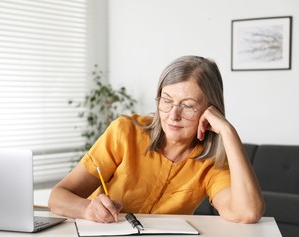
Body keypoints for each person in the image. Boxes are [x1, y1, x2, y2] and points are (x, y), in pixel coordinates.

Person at [48, 55, 265, 224]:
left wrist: (228, 131)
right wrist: (87, 209)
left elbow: (247, 213)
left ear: (211, 111)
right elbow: (58, 197)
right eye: (166, 101)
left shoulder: (212, 162)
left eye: (188, 106)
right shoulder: (125, 131)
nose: (173, 115)